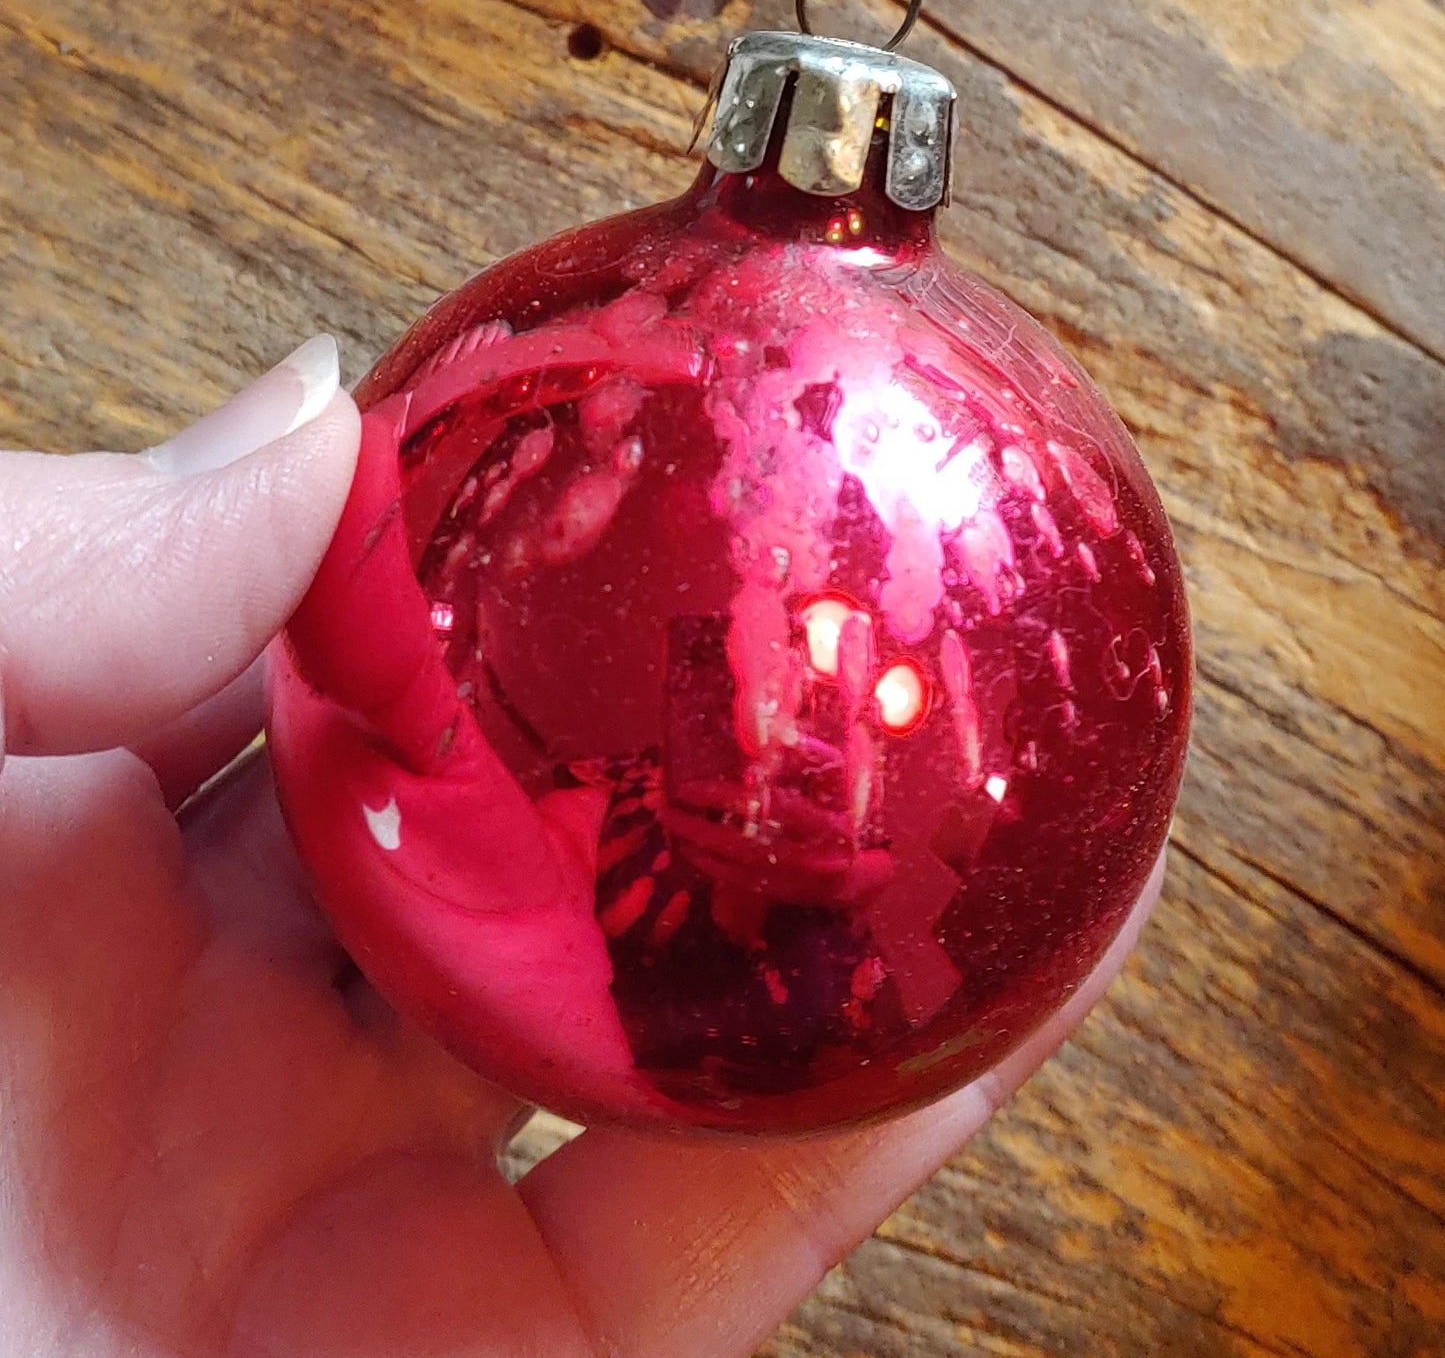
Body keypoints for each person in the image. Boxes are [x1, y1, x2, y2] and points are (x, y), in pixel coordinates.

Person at [0, 336, 1162, 1357]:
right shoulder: (540, 821)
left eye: (815, 716)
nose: (768, 739)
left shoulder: (846, 932)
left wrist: (834, 912)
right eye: (724, 681)